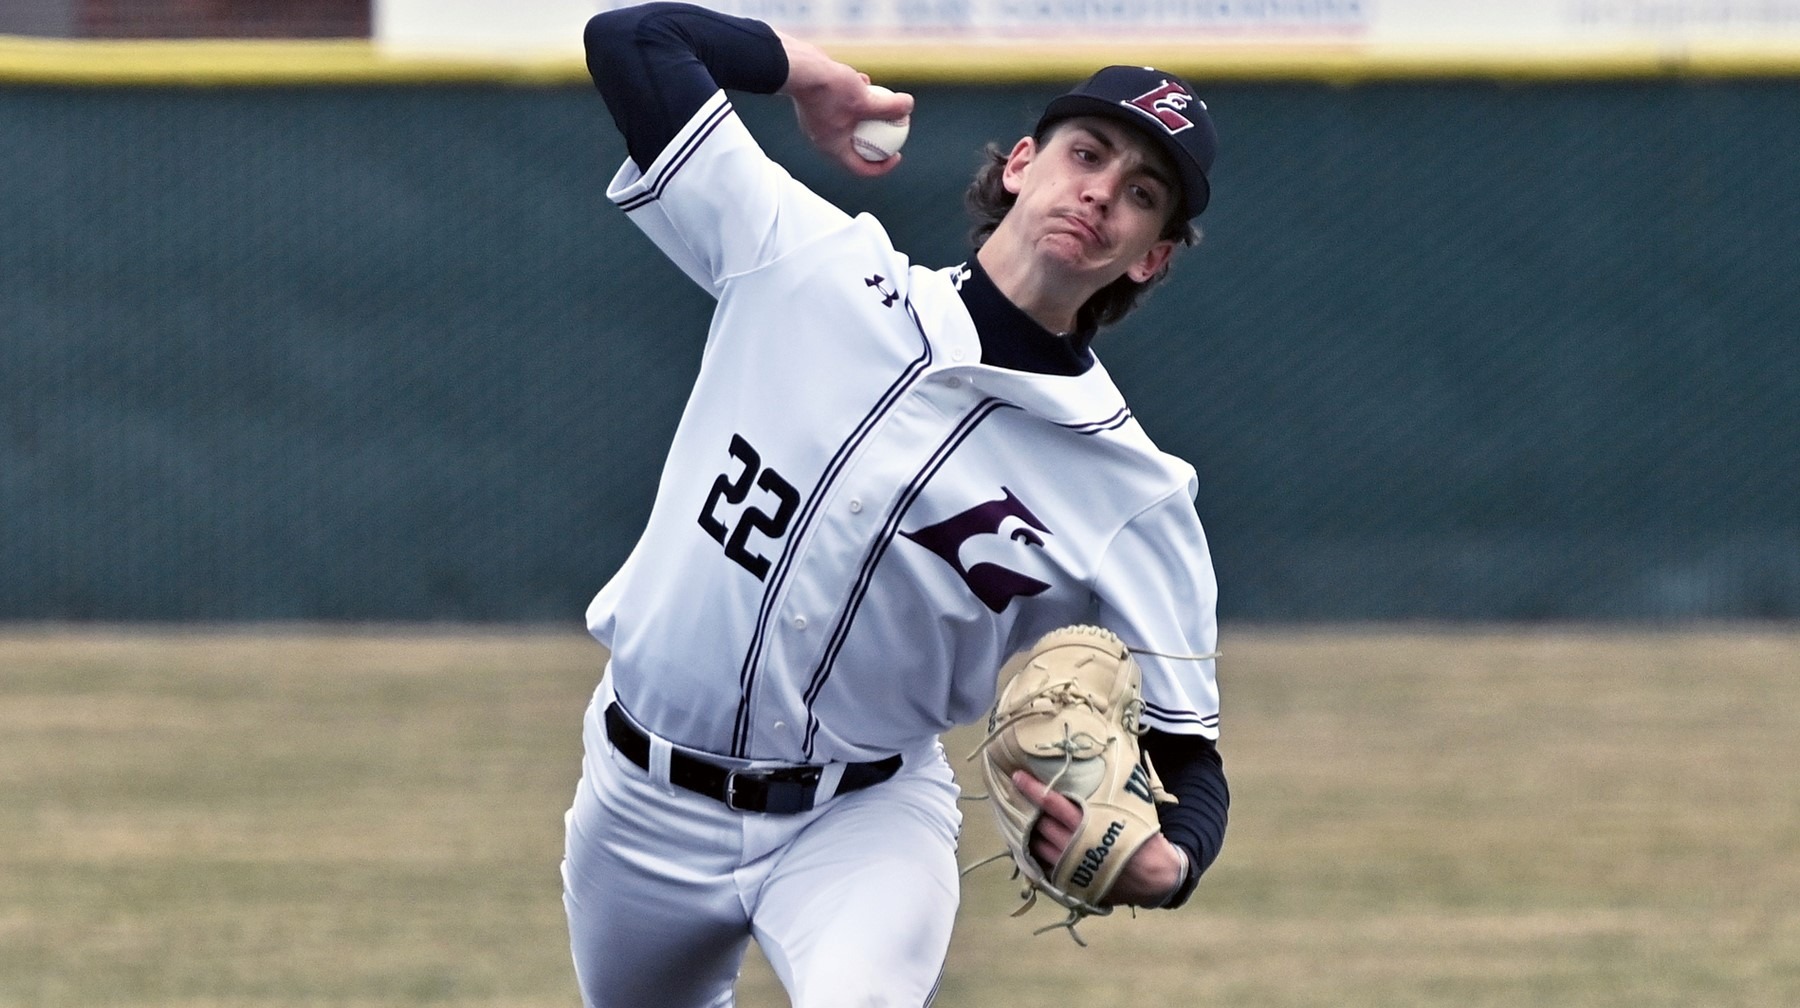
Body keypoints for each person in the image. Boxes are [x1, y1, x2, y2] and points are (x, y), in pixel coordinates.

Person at [563, 5, 1229, 1005]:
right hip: (636, 802)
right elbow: (630, 41)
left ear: (1151, 256)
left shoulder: (1134, 490)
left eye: (1141, 194)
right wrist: (806, 75)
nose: (1101, 191)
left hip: (858, 822)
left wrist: (1170, 865)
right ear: (1019, 166)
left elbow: (1191, 753)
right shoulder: (811, 267)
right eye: (1086, 152)